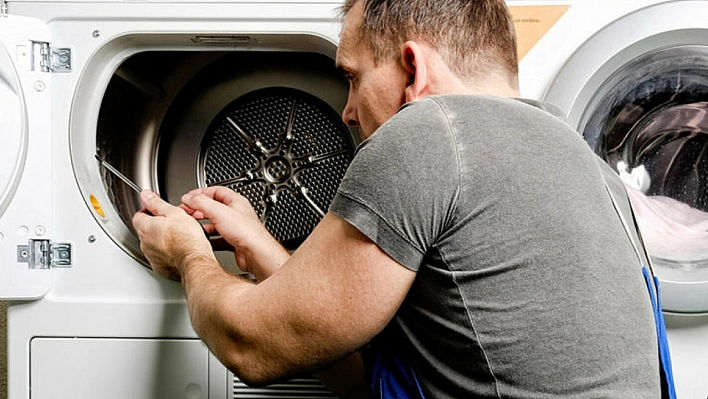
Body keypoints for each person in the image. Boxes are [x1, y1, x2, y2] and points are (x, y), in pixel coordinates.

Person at [132, 0, 663, 397]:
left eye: (352, 77)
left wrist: (188, 254)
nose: (346, 110)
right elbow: (369, 355)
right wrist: (262, 249)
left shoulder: (430, 131)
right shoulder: (589, 167)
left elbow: (253, 348)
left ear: (413, 69)